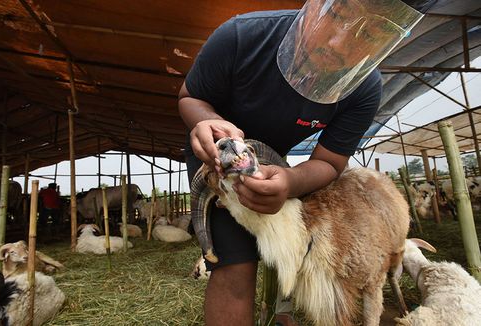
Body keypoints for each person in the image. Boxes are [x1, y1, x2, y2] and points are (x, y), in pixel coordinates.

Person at [178, 0, 429, 324]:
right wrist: (206, 121)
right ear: (314, 4)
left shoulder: (363, 88)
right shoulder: (241, 36)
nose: (339, 42)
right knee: (235, 264)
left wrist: (290, 181)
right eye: (337, 15)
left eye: (373, 33)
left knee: (291, 237)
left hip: (276, 164)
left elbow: (330, 161)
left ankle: (281, 308)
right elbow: (189, 97)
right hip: (213, 153)